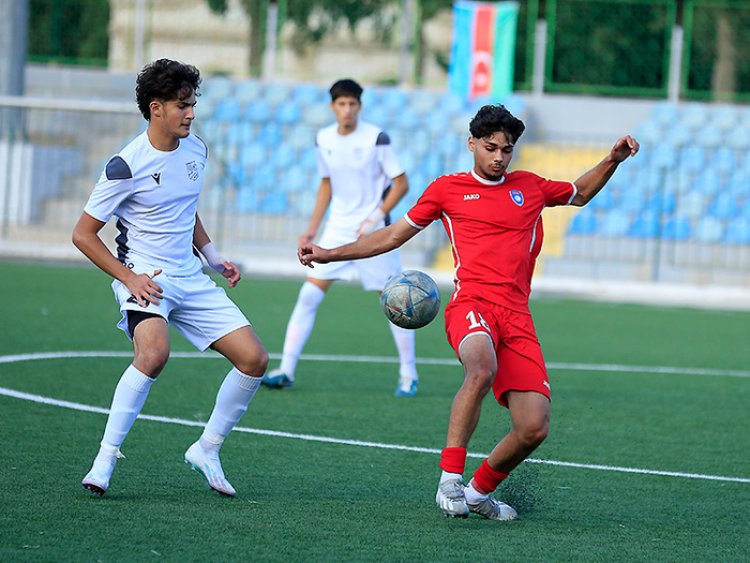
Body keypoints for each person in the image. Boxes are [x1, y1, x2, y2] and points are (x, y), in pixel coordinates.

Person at [298, 104, 639, 520]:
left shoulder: (529, 187)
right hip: (471, 305)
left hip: (517, 316)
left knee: (534, 426)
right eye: (491, 147)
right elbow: (392, 235)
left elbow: (579, 192)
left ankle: (478, 492)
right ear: (472, 144)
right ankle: (449, 481)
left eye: (507, 150)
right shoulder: (447, 190)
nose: (498, 157)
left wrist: (612, 160)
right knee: (480, 369)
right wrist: (332, 253)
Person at [72, 59, 268, 498]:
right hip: (146, 275)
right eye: (182, 106)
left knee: (254, 360)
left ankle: (207, 448)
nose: (191, 113)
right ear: (155, 108)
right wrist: (129, 277)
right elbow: (83, 235)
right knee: (154, 354)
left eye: (193, 104)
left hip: (191, 275)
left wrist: (213, 256)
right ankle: (105, 458)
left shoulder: (196, 149)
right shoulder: (125, 164)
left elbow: (184, 207)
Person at [262, 78, 420, 397]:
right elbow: (326, 184)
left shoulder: (377, 137)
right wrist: (312, 228)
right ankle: (286, 369)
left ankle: (408, 374)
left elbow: (401, 184)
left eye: (353, 104)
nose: (347, 110)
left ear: (360, 106)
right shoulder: (323, 139)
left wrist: (375, 216)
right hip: (337, 229)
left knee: (396, 301)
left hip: (375, 232)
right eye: (341, 104)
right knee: (308, 296)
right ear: (332, 107)